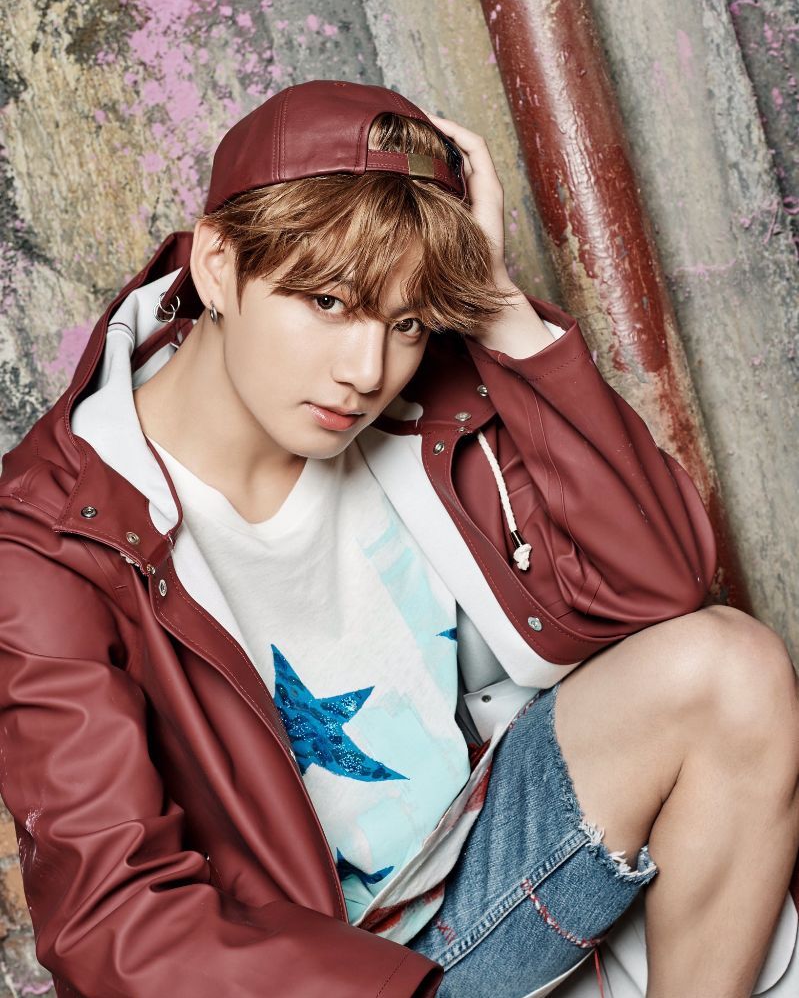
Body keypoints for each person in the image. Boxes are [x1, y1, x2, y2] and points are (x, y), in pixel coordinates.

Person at [0, 78, 796, 998]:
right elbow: (113, 916)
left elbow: (661, 587)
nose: (365, 368)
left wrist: (499, 312)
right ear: (217, 264)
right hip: (327, 973)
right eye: (328, 302)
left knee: (730, 666)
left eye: (406, 321)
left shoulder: (421, 406)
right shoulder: (50, 542)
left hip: (488, 871)